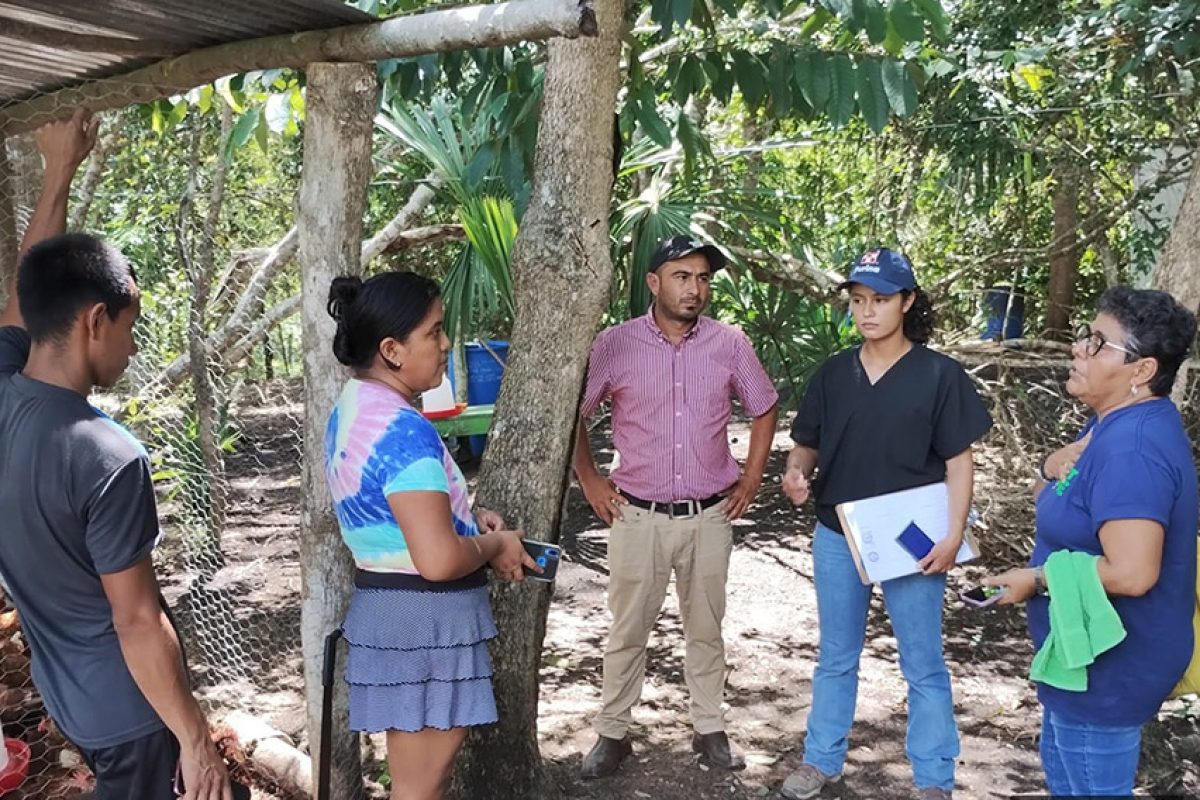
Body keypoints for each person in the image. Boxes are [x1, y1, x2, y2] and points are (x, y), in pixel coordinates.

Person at [0, 110, 233, 799]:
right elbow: (135, 620)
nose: (132, 348)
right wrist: (195, 741)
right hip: (133, 713)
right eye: (130, 327)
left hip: (69, 695)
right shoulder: (107, 455)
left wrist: (58, 171)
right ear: (95, 321)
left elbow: (26, 297)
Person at [780, 248, 992, 800]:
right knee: (836, 655)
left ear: (908, 301)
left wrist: (953, 534)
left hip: (912, 538)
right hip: (839, 533)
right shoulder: (834, 374)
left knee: (922, 661)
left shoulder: (939, 375)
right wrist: (797, 473)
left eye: (880, 299)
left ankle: (933, 778)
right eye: (857, 301)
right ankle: (820, 760)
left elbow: (959, 462)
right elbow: (807, 444)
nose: (867, 311)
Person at [322, 271, 537, 800]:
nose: (445, 344)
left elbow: (393, 518)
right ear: (392, 350)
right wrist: (497, 546)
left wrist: (466, 519)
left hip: (391, 612)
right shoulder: (403, 429)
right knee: (421, 789)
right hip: (427, 623)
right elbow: (438, 559)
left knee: (417, 785)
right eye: (434, 332)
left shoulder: (353, 408)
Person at [573, 234, 780, 778]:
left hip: (709, 515)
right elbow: (575, 413)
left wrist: (752, 477)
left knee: (706, 628)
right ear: (654, 282)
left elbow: (764, 406)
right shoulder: (615, 344)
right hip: (636, 516)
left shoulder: (729, 343)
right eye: (682, 276)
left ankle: (709, 728)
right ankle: (612, 733)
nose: (695, 289)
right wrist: (590, 480)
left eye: (703, 278)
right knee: (627, 632)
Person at [986, 287, 1198, 797]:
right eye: (1087, 335)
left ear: (1142, 370)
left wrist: (1037, 580)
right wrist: (1048, 464)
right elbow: (1057, 493)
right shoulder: (1110, 424)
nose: (1079, 348)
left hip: (1107, 671)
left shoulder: (1132, 450)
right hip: (1079, 658)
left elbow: (1133, 573)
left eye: (1099, 343)